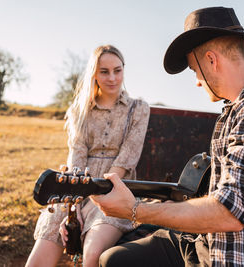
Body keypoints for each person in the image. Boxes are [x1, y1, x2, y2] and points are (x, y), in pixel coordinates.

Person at [91, 6, 244, 267]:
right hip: (213, 243)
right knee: (116, 258)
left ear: (211, 60)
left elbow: (227, 211)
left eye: (194, 70)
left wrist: (135, 210)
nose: (197, 81)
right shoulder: (240, 108)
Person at [25, 45, 150, 267]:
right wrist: (73, 207)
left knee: (93, 255)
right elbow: (76, 159)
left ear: (124, 70)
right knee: (37, 259)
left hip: (114, 190)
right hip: (75, 189)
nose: (112, 77)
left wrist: (93, 199)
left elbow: (126, 160)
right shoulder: (79, 111)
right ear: (94, 73)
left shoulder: (138, 109)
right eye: (104, 71)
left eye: (117, 70)